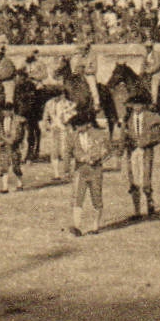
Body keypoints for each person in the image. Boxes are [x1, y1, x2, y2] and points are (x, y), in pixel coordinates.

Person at [115, 89, 160, 220]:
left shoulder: (152, 117)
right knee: (134, 180)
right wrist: (121, 149)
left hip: (145, 150)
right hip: (132, 151)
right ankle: (137, 211)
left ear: (144, 105)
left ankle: (150, 206)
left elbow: (158, 134)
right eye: (134, 105)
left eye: (139, 104)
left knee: (146, 179)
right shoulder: (127, 118)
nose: (137, 107)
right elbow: (123, 136)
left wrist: (146, 141)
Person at [66, 97, 106, 236]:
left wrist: (94, 158)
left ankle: (95, 226)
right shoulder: (72, 136)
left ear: (87, 124)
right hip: (80, 170)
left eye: (79, 125)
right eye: (76, 126)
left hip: (95, 170)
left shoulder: (98, 134)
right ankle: (76, 226)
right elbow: (70, 152)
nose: (77, 128)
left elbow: (105, 150)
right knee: (78, 198)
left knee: (96, 198)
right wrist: (80, 159)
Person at [0, 99, 26, 193]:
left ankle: (20, 184)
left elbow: (18, 134)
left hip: (14, 145)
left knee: (16, 166)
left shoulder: (18, 120)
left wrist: (12, 140)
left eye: (7, 110)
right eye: (4, 110)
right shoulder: (1, 121)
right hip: (4, 146)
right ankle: (5, 187)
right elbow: (1, 133)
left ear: (11, 110)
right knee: (4, 166)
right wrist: (5, 140)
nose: (5, 112)